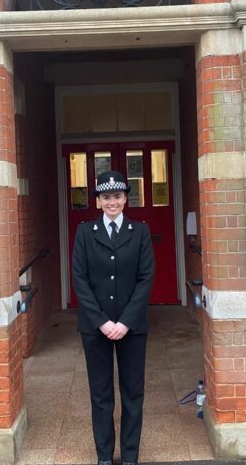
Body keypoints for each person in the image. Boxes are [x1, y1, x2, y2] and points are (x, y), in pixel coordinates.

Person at [72, 170, 155, 465]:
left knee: (133, 394)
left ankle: (130, 456)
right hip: (96, 328)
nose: (112, 202)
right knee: (101, 395)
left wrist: (125, 322)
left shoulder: (140, 231)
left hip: (132, 327)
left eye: (117, 196)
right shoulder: (85, 232)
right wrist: (103, 322)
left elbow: (146, 279)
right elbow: (79, 280)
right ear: (98, 201)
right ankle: (105, 456)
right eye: (106, 197)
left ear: (125, 199)